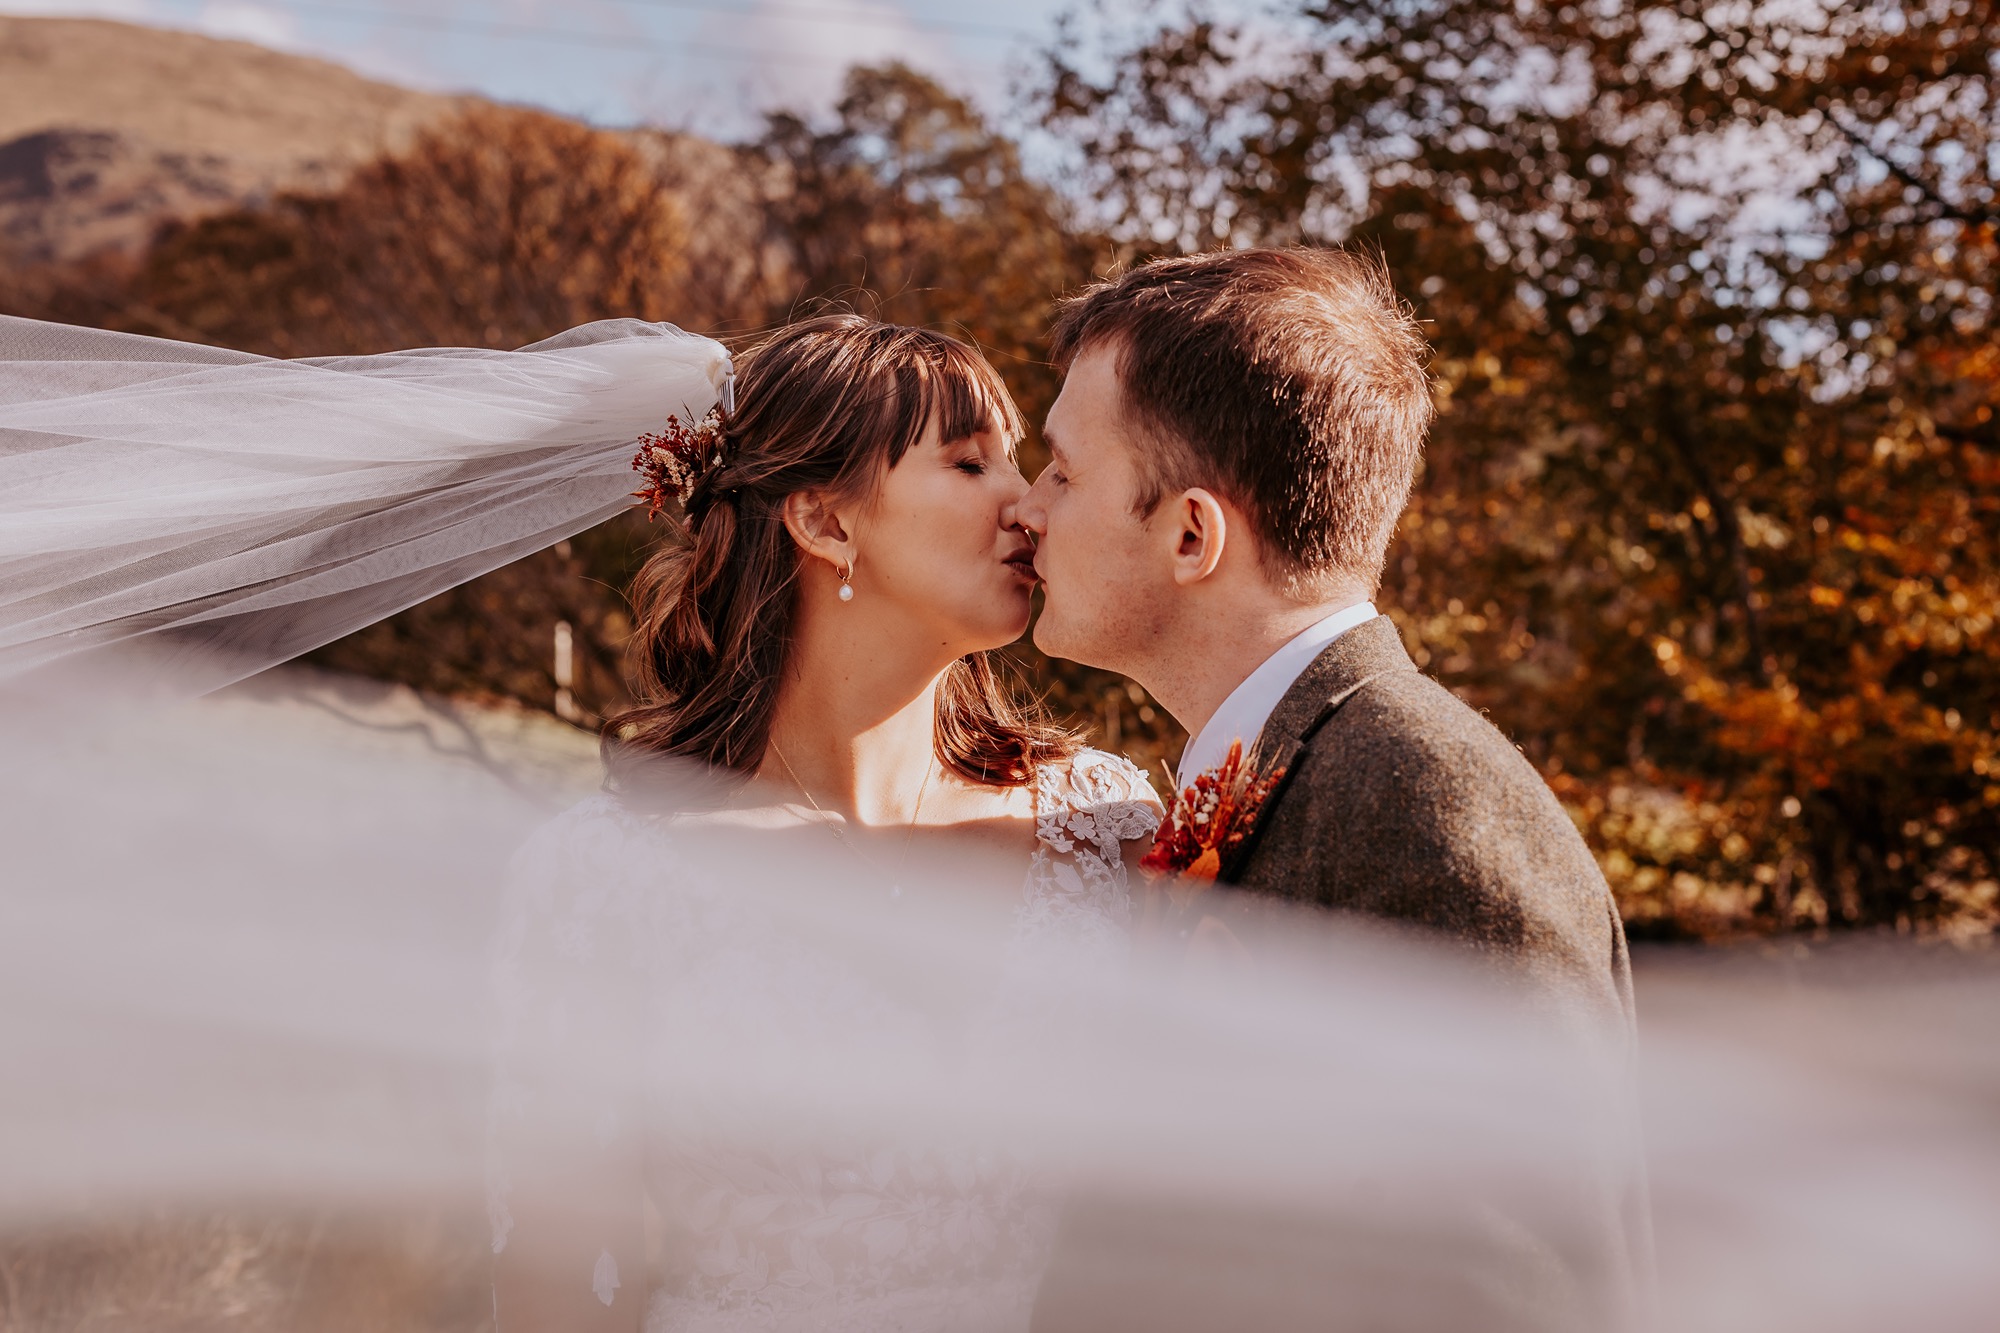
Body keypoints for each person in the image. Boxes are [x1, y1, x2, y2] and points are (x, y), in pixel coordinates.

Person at [486, 314, 1162, 1333]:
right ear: (827, 523)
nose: (1026, 505)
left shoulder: (1103, 824)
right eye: (970, 462)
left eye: (1018, 464)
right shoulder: (606, 875)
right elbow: (555, 1284)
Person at [1013, 247, 1644, 1332]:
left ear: (1189, 534)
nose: (1025, 510)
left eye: (1063, 473)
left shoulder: (1426, 807)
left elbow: (1514, 1292)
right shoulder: (1290, 770)